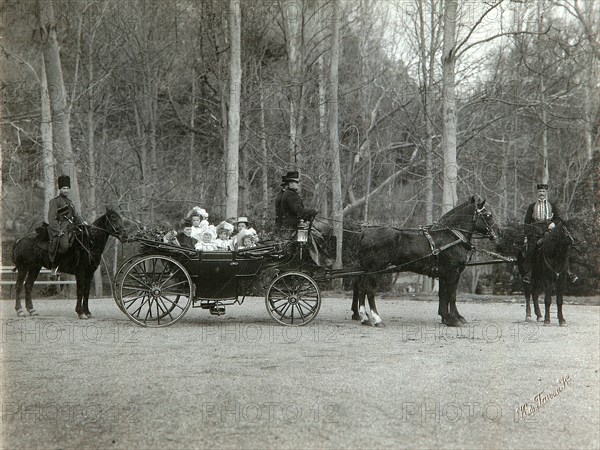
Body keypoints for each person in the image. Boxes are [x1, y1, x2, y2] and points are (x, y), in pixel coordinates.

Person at [275, 170, 332, 268]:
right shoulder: (290, 195)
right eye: (296, 182)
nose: (298, 184)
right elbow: (298, 211)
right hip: (292, 228)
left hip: (291, 227)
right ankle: (321, 261)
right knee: (318, 236)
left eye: (298, 182)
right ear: (290, 184)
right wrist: (312, 212)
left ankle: (320, 260)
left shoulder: (290, 194)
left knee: (317, 233)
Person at [522, 183, 577, 284]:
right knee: (531, 249)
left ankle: (569, 272)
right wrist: (527, 235)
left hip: (550, 231)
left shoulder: (552, 206)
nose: (541, 193)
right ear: (537, 193)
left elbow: (557, 219)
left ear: (546, 193)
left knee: (564, 245)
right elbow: (526, 222)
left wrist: (553, 224)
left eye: (543, 191)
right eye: (540, 192)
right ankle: (529, 273)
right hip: (536, 233)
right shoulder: (532, 206)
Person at [48, 175, 85, 275]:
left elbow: (76, 216)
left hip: (72, 228)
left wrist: (83, 222)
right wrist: (58, 231)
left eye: (67, 188)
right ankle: (55, 267)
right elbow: (52, 218)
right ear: (60, 188)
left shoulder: (70, 202)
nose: (66, 190)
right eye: (64, 188)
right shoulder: (55, 201)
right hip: (61, 229)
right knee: (64, 246)